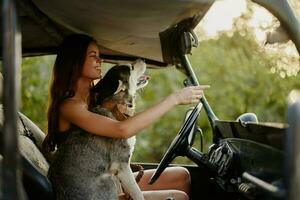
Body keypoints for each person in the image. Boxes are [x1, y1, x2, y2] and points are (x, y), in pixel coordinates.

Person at [42, 34, 209, 200]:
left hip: (107, 178)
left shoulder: (94, 98)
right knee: (179, 197)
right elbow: (121, 130)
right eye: (94, 56)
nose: (100, 61)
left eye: (99, 56)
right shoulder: (69, 106)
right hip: (91, 190)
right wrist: (175, 98)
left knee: (181, 175)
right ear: (75, 62)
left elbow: (114, 148)